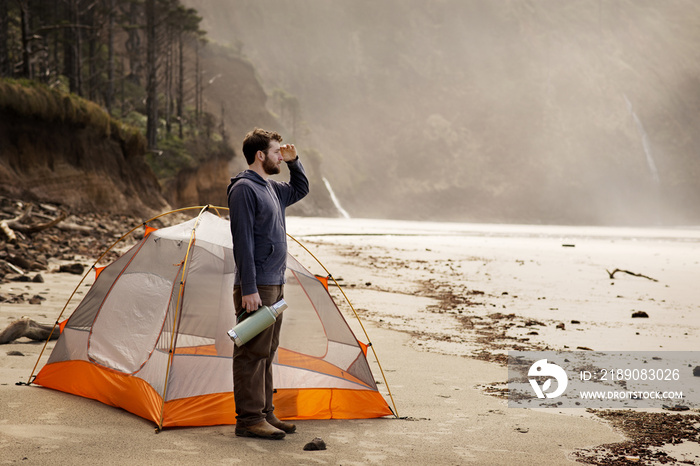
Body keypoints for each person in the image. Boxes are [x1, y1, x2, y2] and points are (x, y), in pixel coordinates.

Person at [227, 128, 309, 439]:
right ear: (260, 155)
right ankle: (248, 420)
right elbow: (243, 242)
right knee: (251, 352)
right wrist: (248, 288)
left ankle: (265, 413)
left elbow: (300, 189)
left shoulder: (272, 188)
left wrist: (294, 161)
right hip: (257, 285)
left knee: (267, 350)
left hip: (274, 282)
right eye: (276, 152)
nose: (279, 156)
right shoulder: (245, 189)